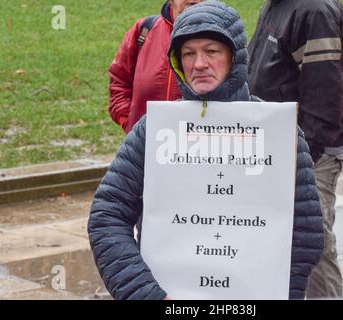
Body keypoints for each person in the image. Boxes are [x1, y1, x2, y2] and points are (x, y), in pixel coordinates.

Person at [88, 0, 323, 300]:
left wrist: (276, 291)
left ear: (234, 56)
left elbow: (306, 233)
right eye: (188, 53)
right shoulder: (154, 130)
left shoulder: (278, 134)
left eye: (211, 51)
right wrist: (146, 294)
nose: (199, 64)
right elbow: (107, 215)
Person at [247, 0, 343, 298]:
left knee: (313, 244)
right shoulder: (277, 5)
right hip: (278, 149)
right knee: (287, 242)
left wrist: (301, 160)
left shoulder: (313, 10)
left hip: (309, 154)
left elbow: (324, 98)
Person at [108, 0, 203, 134]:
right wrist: (129, 123)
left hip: (198, 149)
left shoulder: (226, 38)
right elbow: (120, 81)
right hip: (144, 146)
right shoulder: (144, 30)